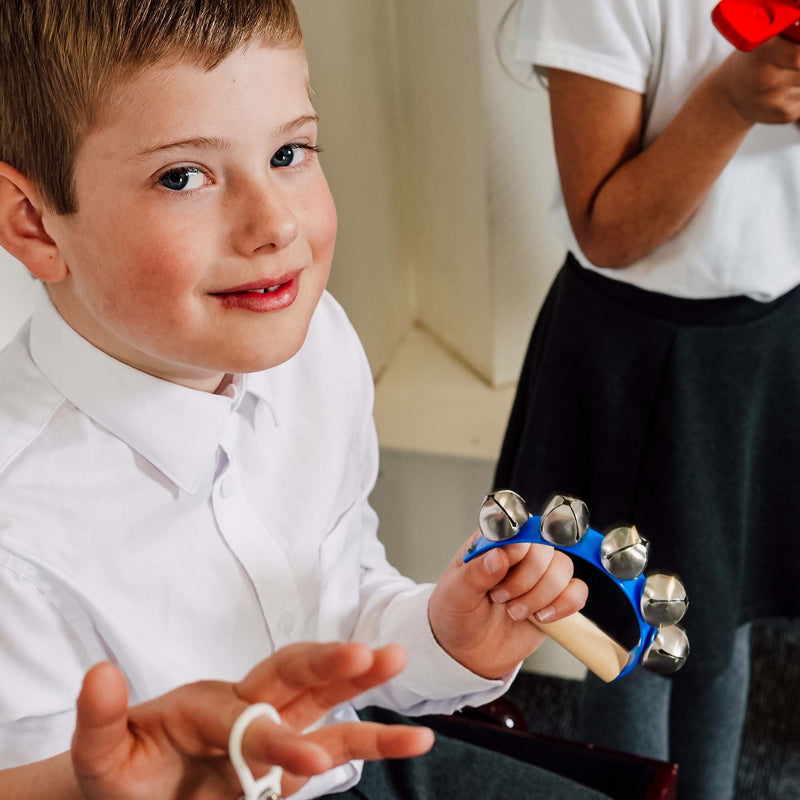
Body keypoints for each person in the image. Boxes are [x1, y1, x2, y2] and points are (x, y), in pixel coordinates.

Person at [0, 1, 607, 798]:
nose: (276, 222)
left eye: (290, 151)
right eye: (183, 176)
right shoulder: (19, 526)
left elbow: (341, 595)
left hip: (352, 765)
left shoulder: (313, 339)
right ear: (36, 225)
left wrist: (440, 637)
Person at [493, 2, 800, 799]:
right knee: (630, 634)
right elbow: (607, 230)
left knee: (724, 624)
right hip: (640, 351)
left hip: (770, 332)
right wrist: (731, 101)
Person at [3, 642, 436, 799]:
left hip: (345, 751)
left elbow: (356, 565)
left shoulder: (332, 436)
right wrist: (74, 790)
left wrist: (438, 631)